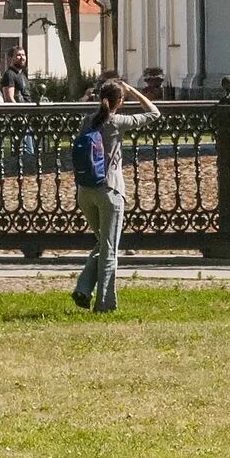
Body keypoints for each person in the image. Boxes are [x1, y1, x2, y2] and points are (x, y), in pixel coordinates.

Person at [71, 75, 161, 313]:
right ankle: (104, 305)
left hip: (85, 192)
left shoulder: (87, 121)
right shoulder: (116, 122)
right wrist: (132, 91)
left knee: (102, 243)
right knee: (109, 249)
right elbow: (154, 113)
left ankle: (83, 288)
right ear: (119, 100)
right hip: (109, 191)